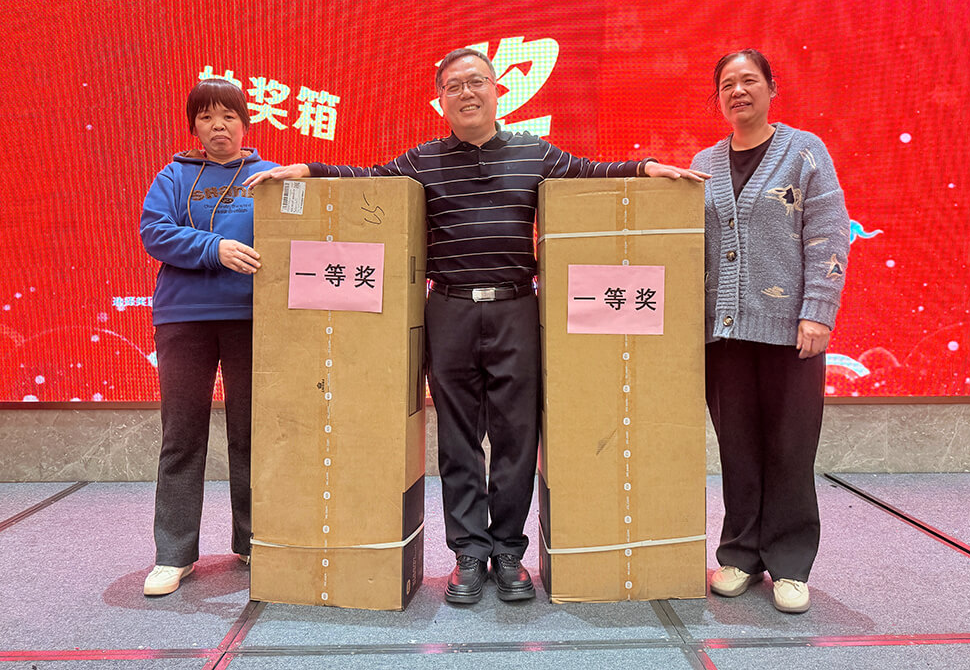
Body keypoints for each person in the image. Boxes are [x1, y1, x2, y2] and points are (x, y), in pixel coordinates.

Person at [245, 47, 708, 604]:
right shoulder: (423, 161)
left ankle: (508, 551)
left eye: (476, 82)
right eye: (454, 86)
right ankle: (468, 552)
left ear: (496, 89)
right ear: (440, 99)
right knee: (459, 436)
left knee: (517, 435)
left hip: (517, 310)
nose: (466, 93)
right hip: (450, 310)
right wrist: (309, 170)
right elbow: (370, 181)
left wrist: (646, 167)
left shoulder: (534, 152)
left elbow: (590, 173)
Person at [691, 49, 849, 613]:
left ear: (771, 88)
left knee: (790, 447)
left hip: (790, 332)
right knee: (737, 447)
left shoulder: (805, 151)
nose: (738, 91)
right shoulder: (704, 162)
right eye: (727, 84)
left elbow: (829, 233)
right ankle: (739, 554)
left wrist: (818, 310)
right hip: (724, 335)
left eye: (749, 80)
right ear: (718, 97)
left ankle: (789, 563)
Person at [139, 79, 278, 596]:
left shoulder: (269, 177)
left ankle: (254, 539)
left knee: (252, 433)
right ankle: (173, 554)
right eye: (205, 117)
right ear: (194, 126)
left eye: (228, 116)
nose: (218, 126)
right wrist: (213, 248)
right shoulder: (173, 176)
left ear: (246, 122)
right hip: (184, 318)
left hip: (253, 318)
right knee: (182, 435)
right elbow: (154, 232)